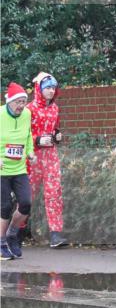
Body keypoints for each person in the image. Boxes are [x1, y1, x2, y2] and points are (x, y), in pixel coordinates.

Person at [27, 71, 67, 248]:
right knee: (27, 195)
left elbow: (55, 128)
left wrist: (57, 136)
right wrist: (37, 140)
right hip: (33, 158)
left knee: (54, 193)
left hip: (51, 156)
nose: (51, 91)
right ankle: (16, 231)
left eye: (53, 87)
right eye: (48, 88)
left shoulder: (55, 108)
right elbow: (23, 135)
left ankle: (56, 234)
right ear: (39, 89)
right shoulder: (29, 109)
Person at [1, 83, 35, 260]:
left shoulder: (27, 114)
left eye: (24, 101)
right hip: (2, 170)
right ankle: (1, 244)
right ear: (9, 102)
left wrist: (30, 151)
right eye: (18, 102)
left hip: (19, 168)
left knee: (26, 203)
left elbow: (29, 134)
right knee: (5, 207)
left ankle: (12, 235)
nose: (21, 105)